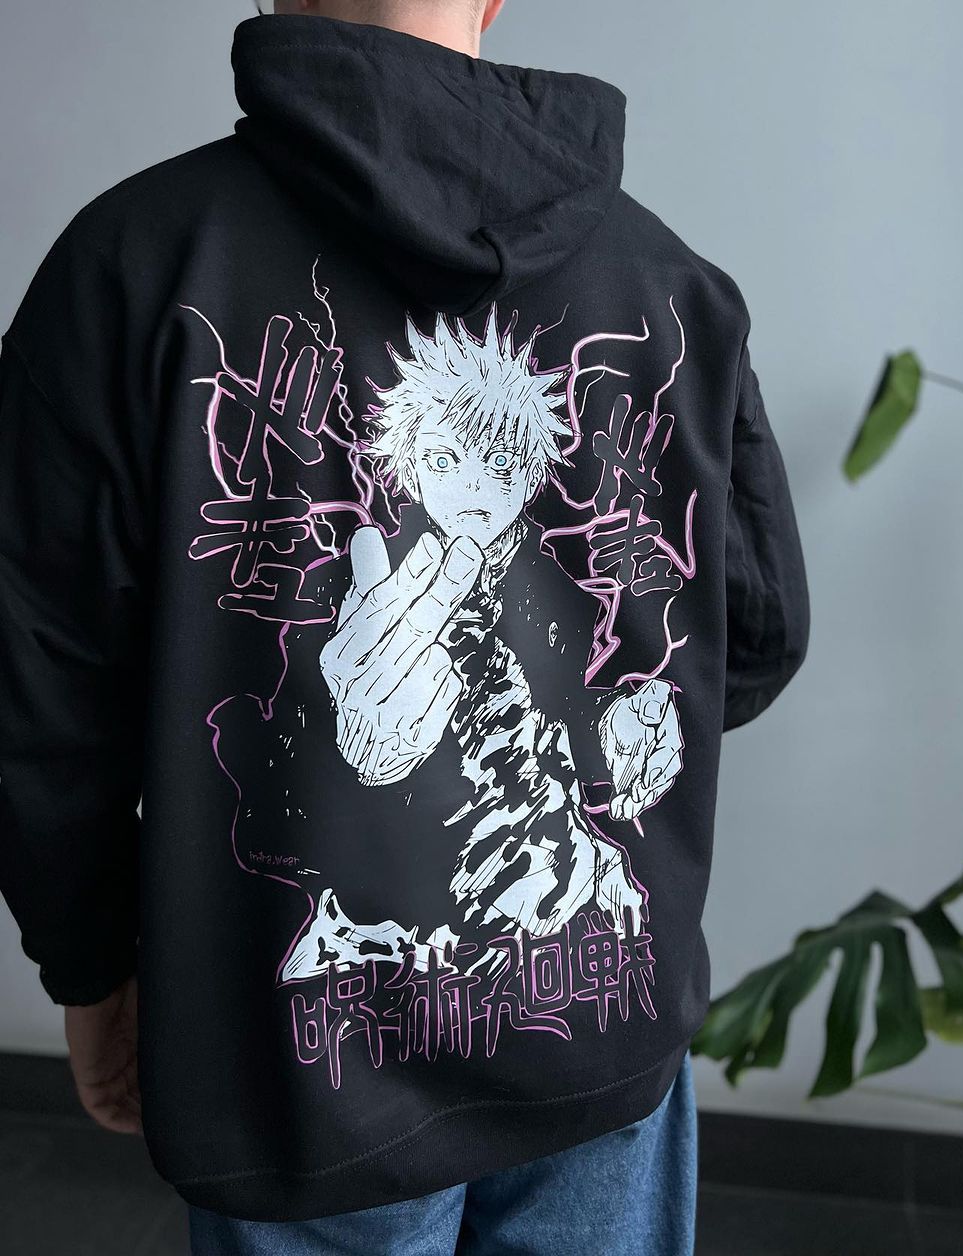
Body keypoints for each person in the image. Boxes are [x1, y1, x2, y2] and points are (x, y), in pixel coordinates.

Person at [0, 0, 810, 1252]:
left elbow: (39, 695)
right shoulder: (674, 286)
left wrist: (91, 962)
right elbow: (751, 639)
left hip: (306, 1064)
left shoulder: (131, 265)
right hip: (595, 1008)